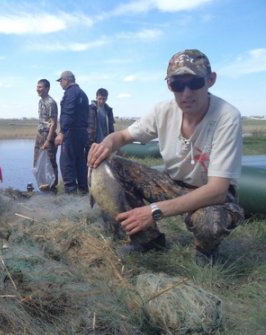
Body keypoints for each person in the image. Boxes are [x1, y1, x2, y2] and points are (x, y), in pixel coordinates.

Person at [87, 49, 244, 266]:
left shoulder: (227, 117)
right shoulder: (163, 111)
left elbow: (217, 190)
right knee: (113, 166)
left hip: (211, 193)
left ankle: (205, 250)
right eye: (177, 85)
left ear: (211, 80)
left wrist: (153, 211)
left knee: (210, 222)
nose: (186, 93)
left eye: (195, 82)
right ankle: (148, 240)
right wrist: (106, 144)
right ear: (169, 85)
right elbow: (122, 136)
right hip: (171, 184)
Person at [54, 71, 89, 194]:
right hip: (82, 133)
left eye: (61, 81)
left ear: (66, 80)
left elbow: (68, 112)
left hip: (71, 132)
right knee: (80, 163)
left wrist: (62, 132)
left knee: (66, 163)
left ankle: (70, 195)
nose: (60, 84)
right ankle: (84, 191)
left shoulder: (70, 93)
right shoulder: (83, 94)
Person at [34, 79, 59, 191]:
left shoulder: (51, 102)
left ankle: (53, 188)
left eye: (40, 87)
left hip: (47, 134)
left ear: (47, 88)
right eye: (37, 87)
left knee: (50, 162)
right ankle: (43, 187)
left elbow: (53, 123)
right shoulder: (40, 101)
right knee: (38, 162)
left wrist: (48, 141)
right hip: (40, 134)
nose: (38, 89)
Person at [86, 88, 115, 159]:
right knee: (89, 164)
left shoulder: (108, 111)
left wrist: (113, 142)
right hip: (91, 144)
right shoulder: (90, 109)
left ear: (107, 99)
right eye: (100, 98)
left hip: (104, 144)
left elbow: (111, 128)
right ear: (96, 97)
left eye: (104, 99)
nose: (101, 101)